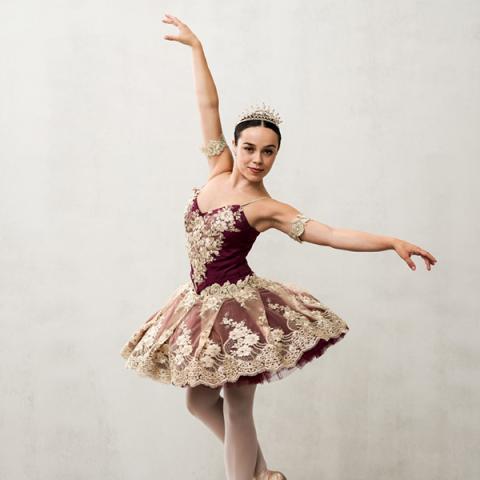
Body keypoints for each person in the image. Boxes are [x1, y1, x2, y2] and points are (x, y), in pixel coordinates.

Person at [120, 13, 438, 480]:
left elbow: (330, 234)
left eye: (269, 152)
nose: (258, 160)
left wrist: (390, 241)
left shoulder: (265, 206)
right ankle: (265, 476)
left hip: (238, 310)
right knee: (197, 401)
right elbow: (209, 104)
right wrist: (197, 48)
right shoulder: (216, 167)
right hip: (197, 303)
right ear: (235, 144)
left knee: (237, 405)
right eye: (250, 148)